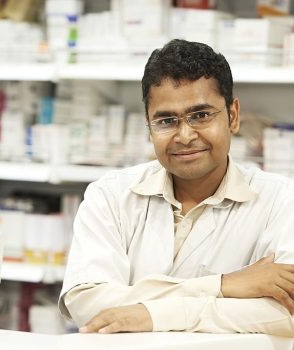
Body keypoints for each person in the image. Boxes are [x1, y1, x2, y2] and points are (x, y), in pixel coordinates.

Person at [59, 39, 294, 337]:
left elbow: (285, 314)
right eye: (166, 120)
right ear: (148, 125)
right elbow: (87, 305)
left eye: (201, 115)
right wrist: (223, 285)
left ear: (233, 116)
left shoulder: (282, 200)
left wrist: (152, 314)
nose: (185, 135)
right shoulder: (110, 196)